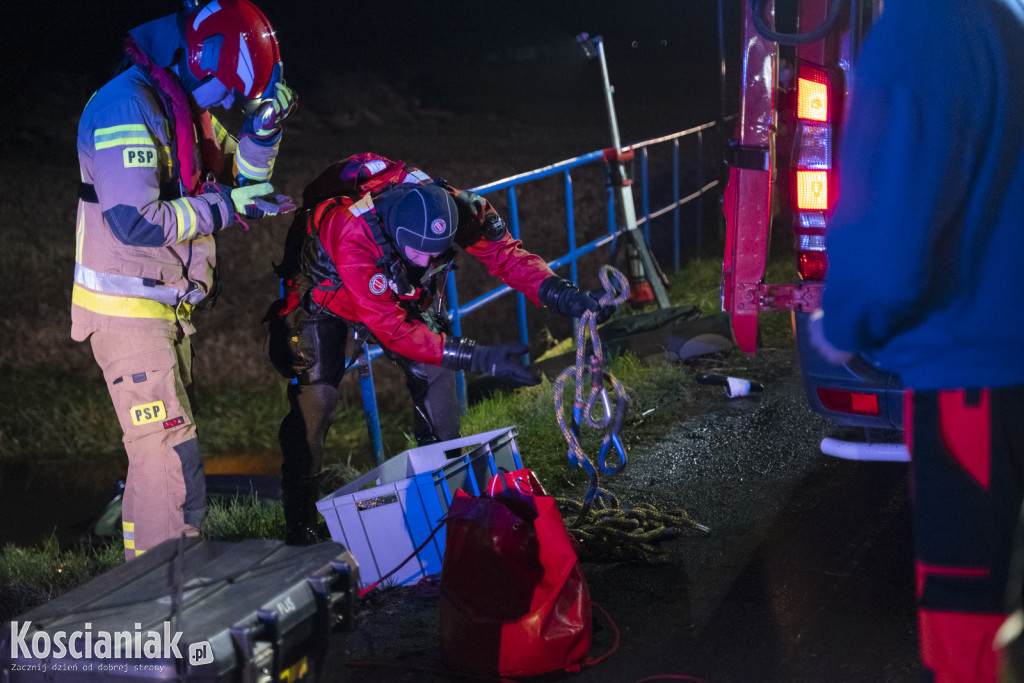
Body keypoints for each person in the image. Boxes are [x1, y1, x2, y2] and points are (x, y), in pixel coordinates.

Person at [807, 0, 1024, 680]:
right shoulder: (1000, 27)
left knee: (974, 619)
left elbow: (885, 241)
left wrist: (841, 326)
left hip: (974, 381)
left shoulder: (924, 26)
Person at [264, 153, 614, 545]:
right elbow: (392, 327)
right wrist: (474, 355)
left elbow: (506, 255)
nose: (430, 260)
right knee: (316, 401)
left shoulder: (463, 210)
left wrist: (563, 295)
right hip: (325, 291)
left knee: (435, 372)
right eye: (420, 253)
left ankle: (445, 504)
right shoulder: (350, 227)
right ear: (395, 235)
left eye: (438, 252)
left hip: (394, 286)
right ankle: (300, 525)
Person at [73, 0, 297, 560]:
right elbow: (135, 221)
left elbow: (243, 179)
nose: (226, 104)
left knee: (156, 455)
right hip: (129, 317)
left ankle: (141, 582)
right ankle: (169, 593)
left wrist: (263, 130)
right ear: (198, 57)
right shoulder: (127, 106)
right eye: (226, 91)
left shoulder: (181, 102)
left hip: (162, 309)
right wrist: (226, 207)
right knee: (173, 459)